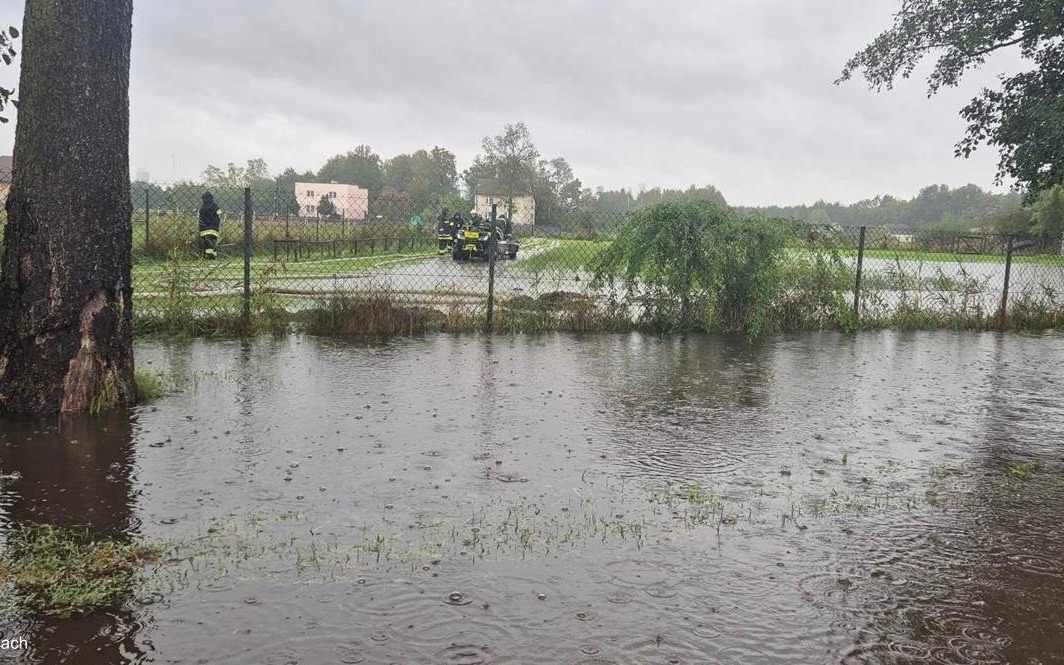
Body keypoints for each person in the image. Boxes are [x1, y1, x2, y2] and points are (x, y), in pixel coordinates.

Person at [198, 192, 220, 260]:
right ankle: (213, 255)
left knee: (207, 242)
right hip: (214, 227)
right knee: (213, 241)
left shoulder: (202, 209)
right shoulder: (215, 206)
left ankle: (208, 256)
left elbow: (200, 219)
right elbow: (219, 215)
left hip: (205, 228)